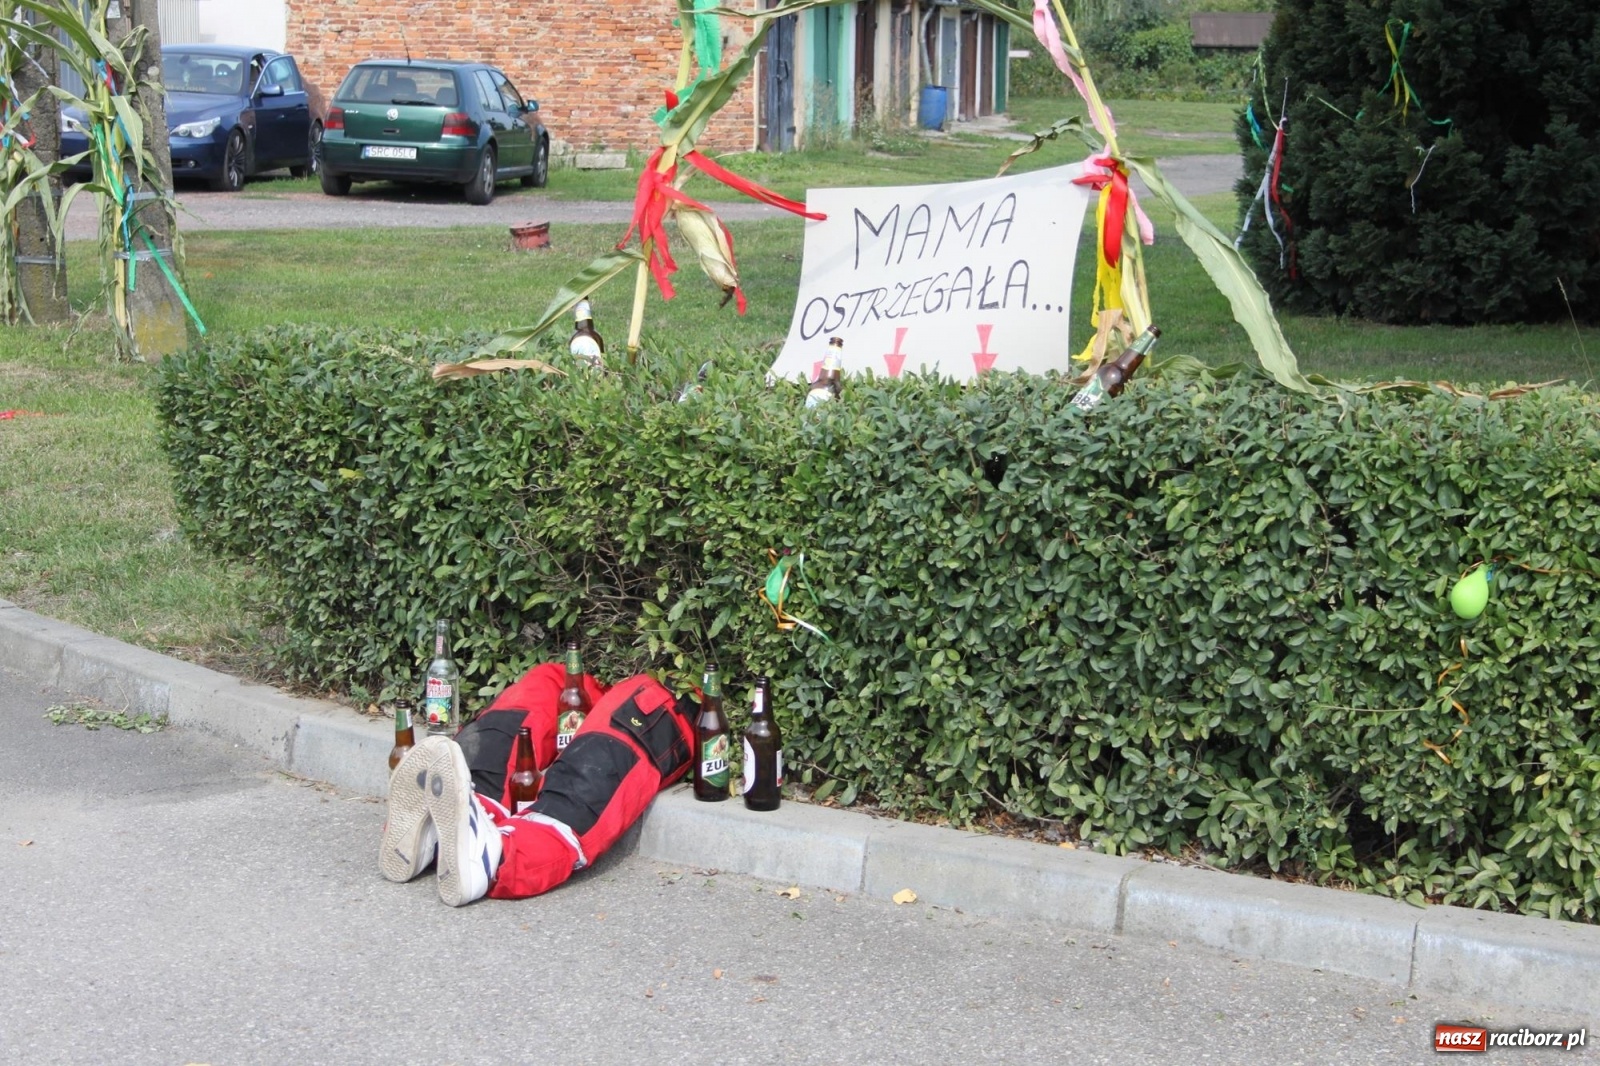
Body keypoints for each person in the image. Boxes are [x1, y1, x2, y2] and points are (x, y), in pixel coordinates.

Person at [378, 672, 697, 906]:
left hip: (674, 682)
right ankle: (454, 823)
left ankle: (497, 856)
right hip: (607, 676)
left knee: (649, 707)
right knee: (551, 681)